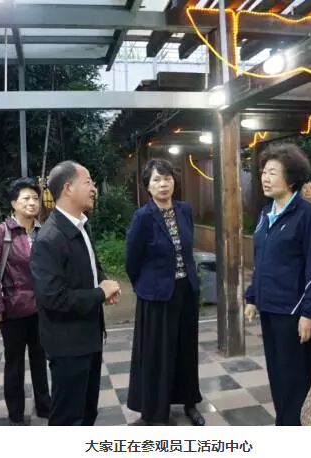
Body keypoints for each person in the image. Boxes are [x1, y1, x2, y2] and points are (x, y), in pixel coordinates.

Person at [30, 161, 121, 426]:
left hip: (89, 336)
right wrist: (99, 293)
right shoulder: (49, 239)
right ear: (68, 188)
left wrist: (104, 283)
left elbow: (91, 265)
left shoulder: (82, 225)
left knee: (87, 413)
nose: (94, 189)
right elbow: (54, 298)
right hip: (68, 344)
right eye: (88, 182)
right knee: (68, 419)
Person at [243, 143, 311, 426]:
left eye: (272, 173)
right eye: (263, 172)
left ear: (290, 179)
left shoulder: (307, 214)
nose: (265, 178)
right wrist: (252, 297)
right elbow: (260, 259)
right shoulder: (266, 212)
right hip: (269, 308)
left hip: (293, 313)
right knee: (277, 377)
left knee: (294, 380)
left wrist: (308, 312)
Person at [125, 158, 204, 426]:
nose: (163, 184)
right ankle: (156, 411)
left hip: (185, 291)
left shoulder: (185, 210)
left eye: (167, 178)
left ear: (174, 181)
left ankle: (189, 402)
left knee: (186, 350)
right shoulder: (143, 217)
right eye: (156, 180)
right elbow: (132, 260)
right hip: (156, 296)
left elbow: (187, 250)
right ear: (148, 186)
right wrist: (145, 286)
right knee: (158, 355)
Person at [0, 177, 51, 425]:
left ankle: (44, 406)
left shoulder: (43, 231)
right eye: (26, 198)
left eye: (35, 198)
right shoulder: (2, 232)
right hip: (12, 310)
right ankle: (16, 413)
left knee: (40, 360)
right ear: (13, 203)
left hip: (40, 308)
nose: (32, 203)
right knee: (15, 363)